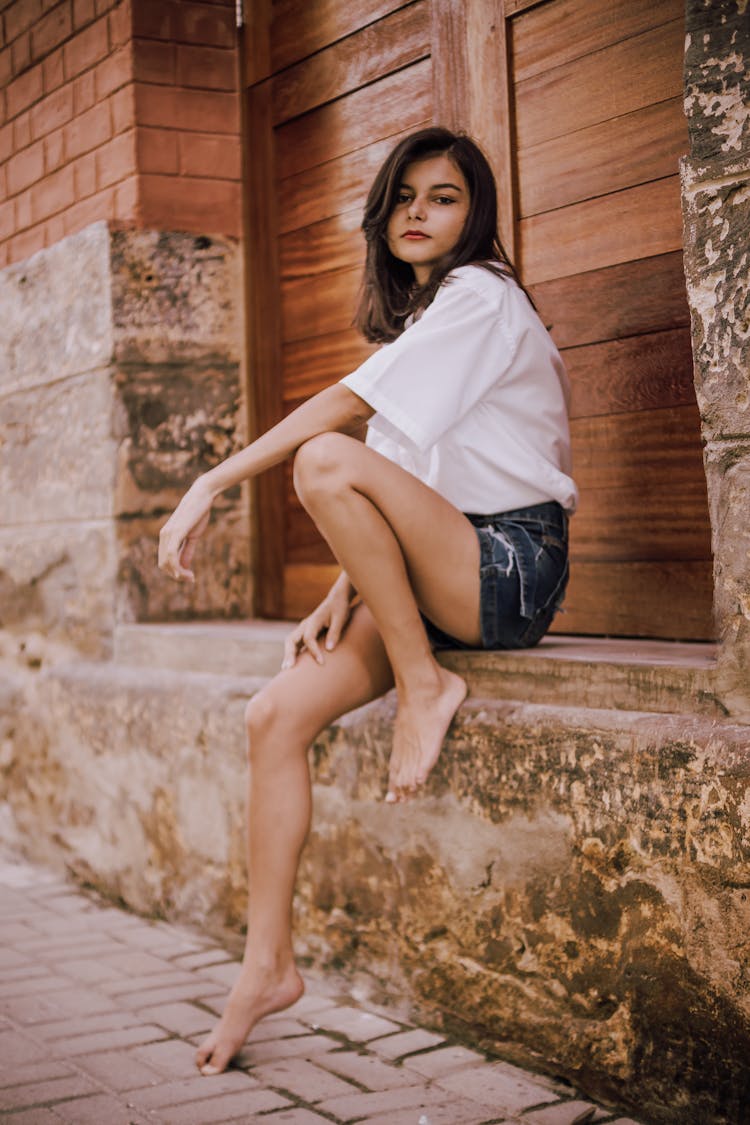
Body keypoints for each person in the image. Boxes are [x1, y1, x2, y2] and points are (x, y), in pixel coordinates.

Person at [157, 126, 578, 1075]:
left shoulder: (481, 296)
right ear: (383, 216)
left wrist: (211, 482)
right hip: (446, 571)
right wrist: (345, 587)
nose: (420, 214)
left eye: (445, 198)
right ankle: (265, 966)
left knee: (320, 459)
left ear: (477, 219)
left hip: (511, 567)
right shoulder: (427, 327)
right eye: (406, 198)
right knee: (274, 715)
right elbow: (415, 476)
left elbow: (346, 432)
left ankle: (424, 689)